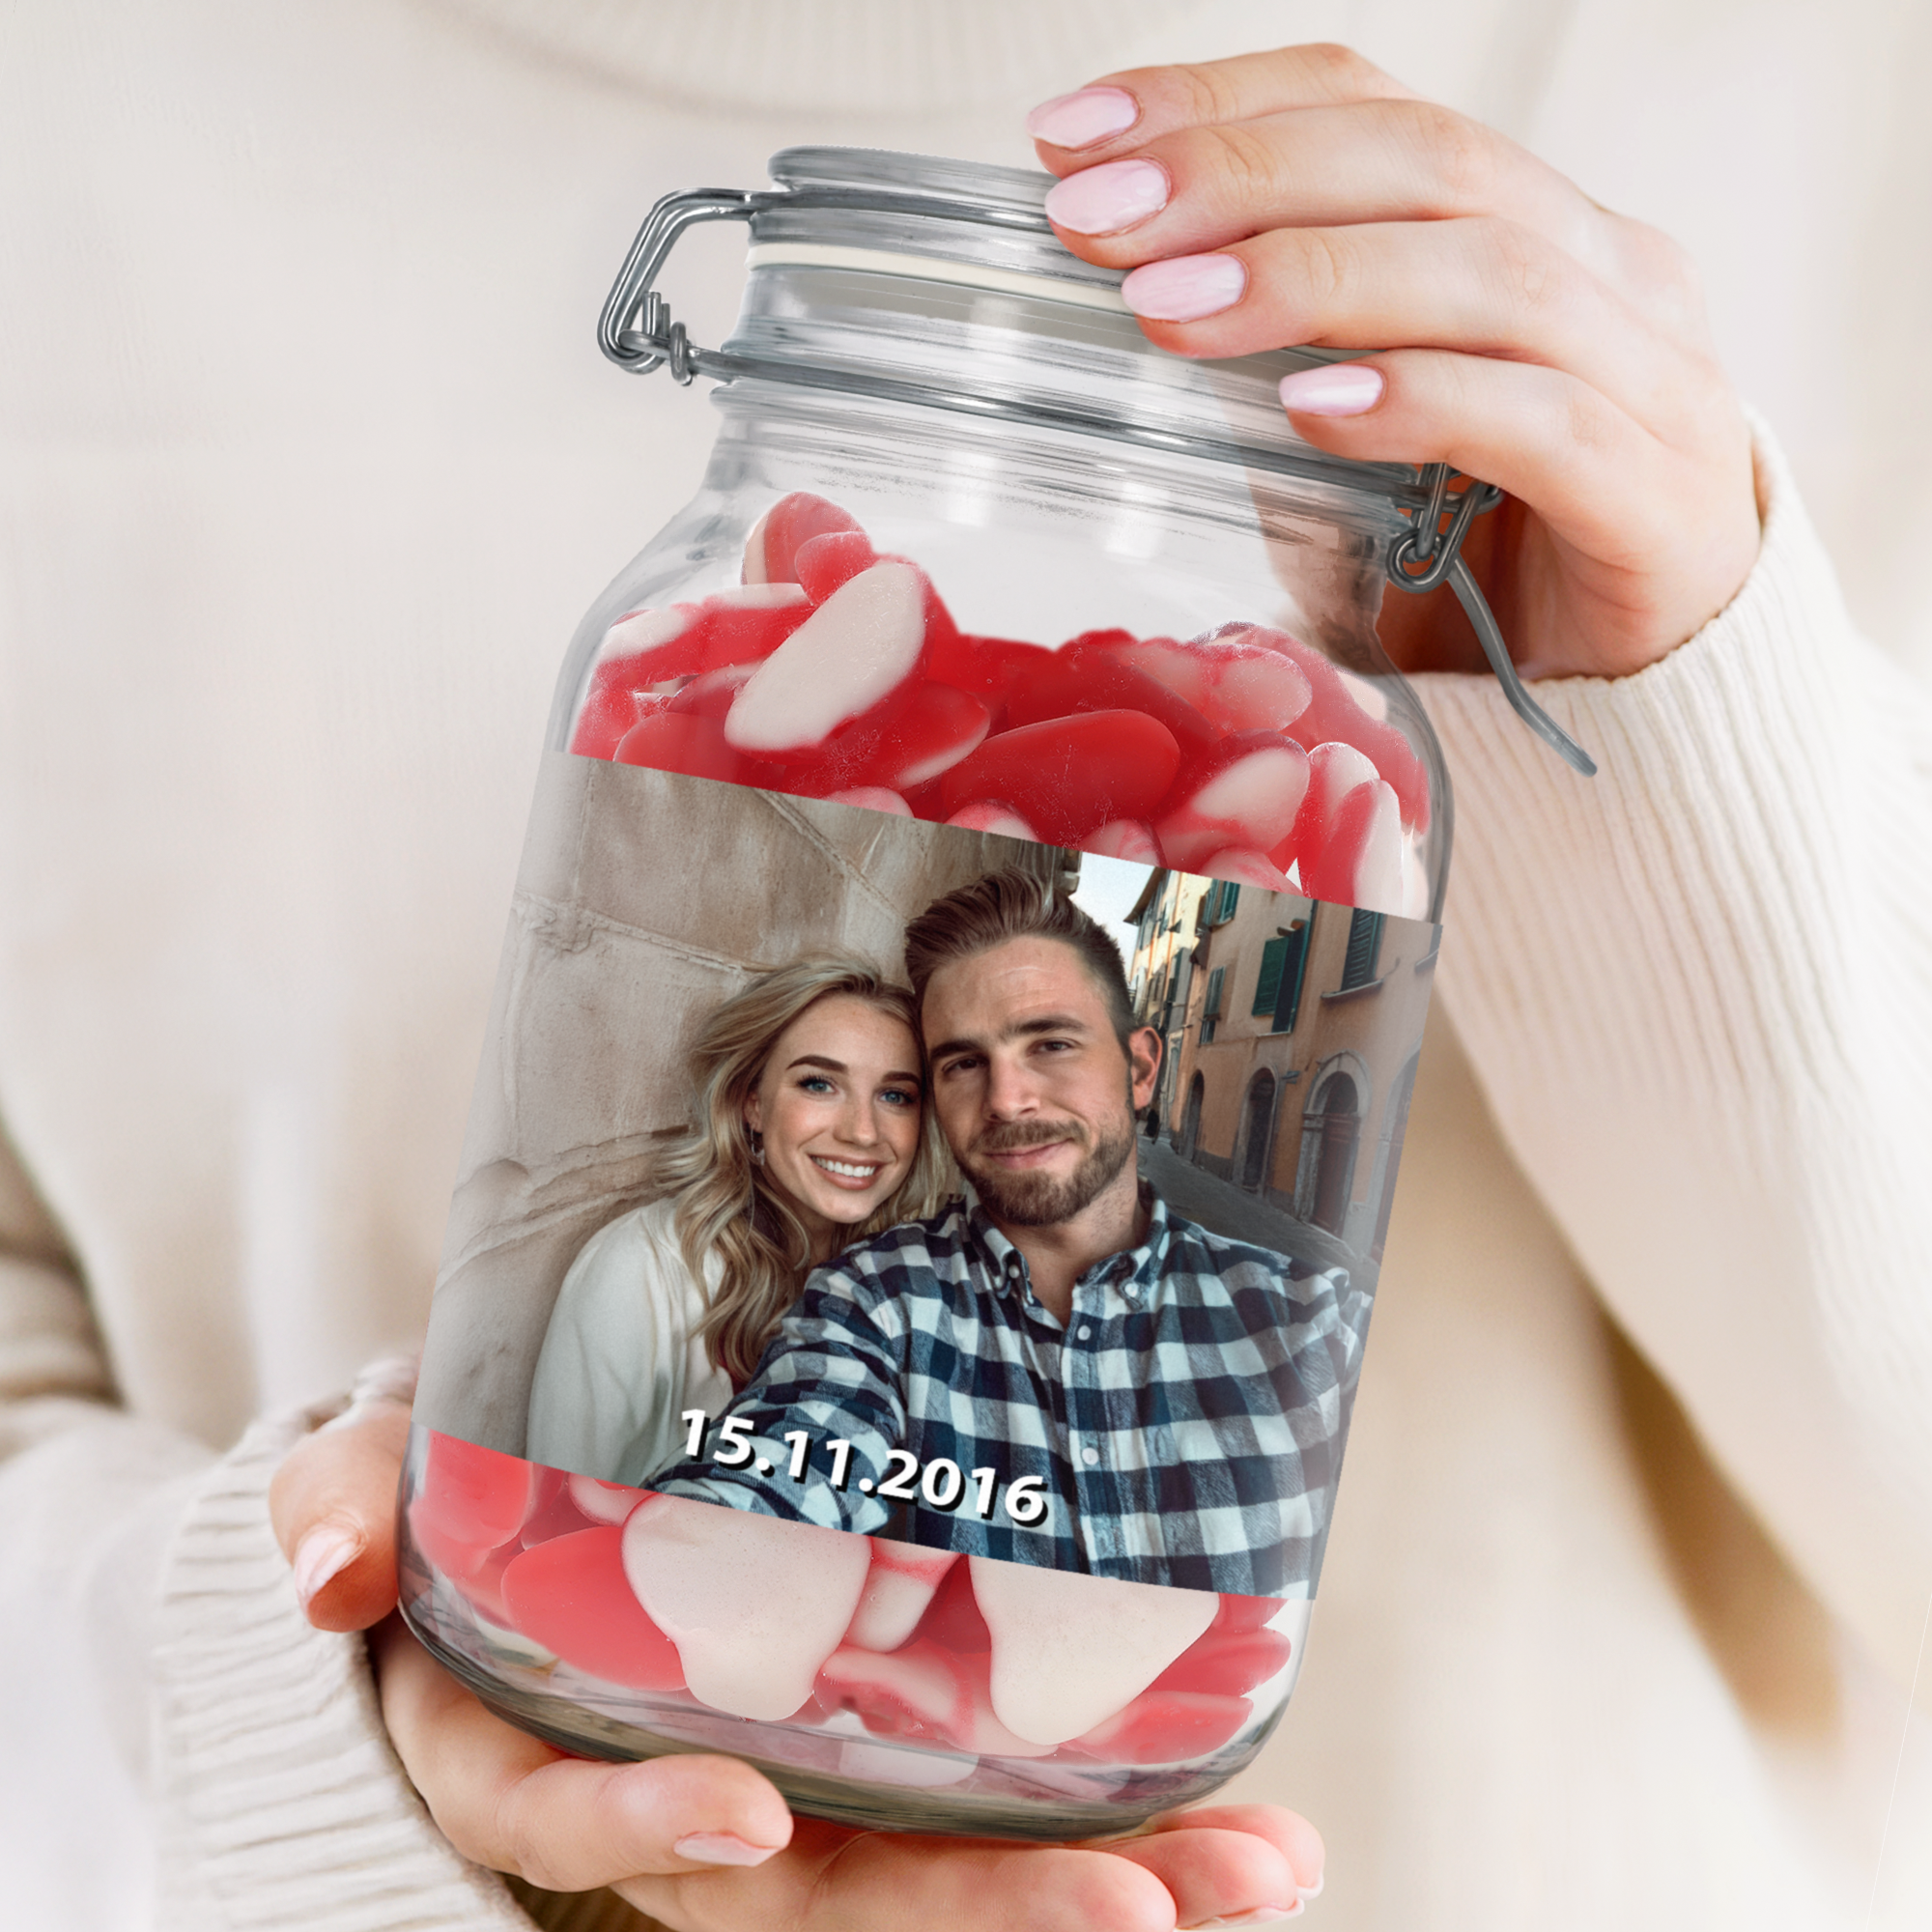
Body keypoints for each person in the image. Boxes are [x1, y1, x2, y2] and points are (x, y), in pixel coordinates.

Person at [6, 18, 1931, 1932]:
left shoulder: (1825, 95)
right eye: (938, 1059)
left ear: (1135, 1059)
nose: (993, 1095)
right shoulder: (67, 120)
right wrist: (261, 1715)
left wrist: (1685, 731)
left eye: (1037, 1048)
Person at [653, 872, 1371, 1596]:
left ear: (1141, 1068)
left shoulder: (1313, 1321)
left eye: (1051, 1044)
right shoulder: (871, 1301)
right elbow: (778, 1468)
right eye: (964, 1064)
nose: (1006, 1099)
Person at [523, 956, 952, 1488]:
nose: (863, 1132)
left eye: (895, 1096)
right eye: (819, 1084)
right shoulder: (639, 1268)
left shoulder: (902, 1283)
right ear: (753, 1103)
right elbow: (558, 1518)